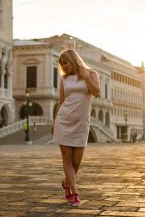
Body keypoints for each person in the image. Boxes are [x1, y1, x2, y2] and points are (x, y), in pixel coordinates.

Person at [51, 49, 100, 207]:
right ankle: (75, 192)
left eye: (66, 62)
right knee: (67, 160)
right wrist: (54, 121)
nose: (64, 66)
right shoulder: (64, 79)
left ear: (74, 59)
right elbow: (61, 101)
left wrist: (86, 77)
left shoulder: (91, 73)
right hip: (64, 121)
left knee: (77, 162)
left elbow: (97, 92)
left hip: (81, 124)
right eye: (61, 64)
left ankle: (66, 183)